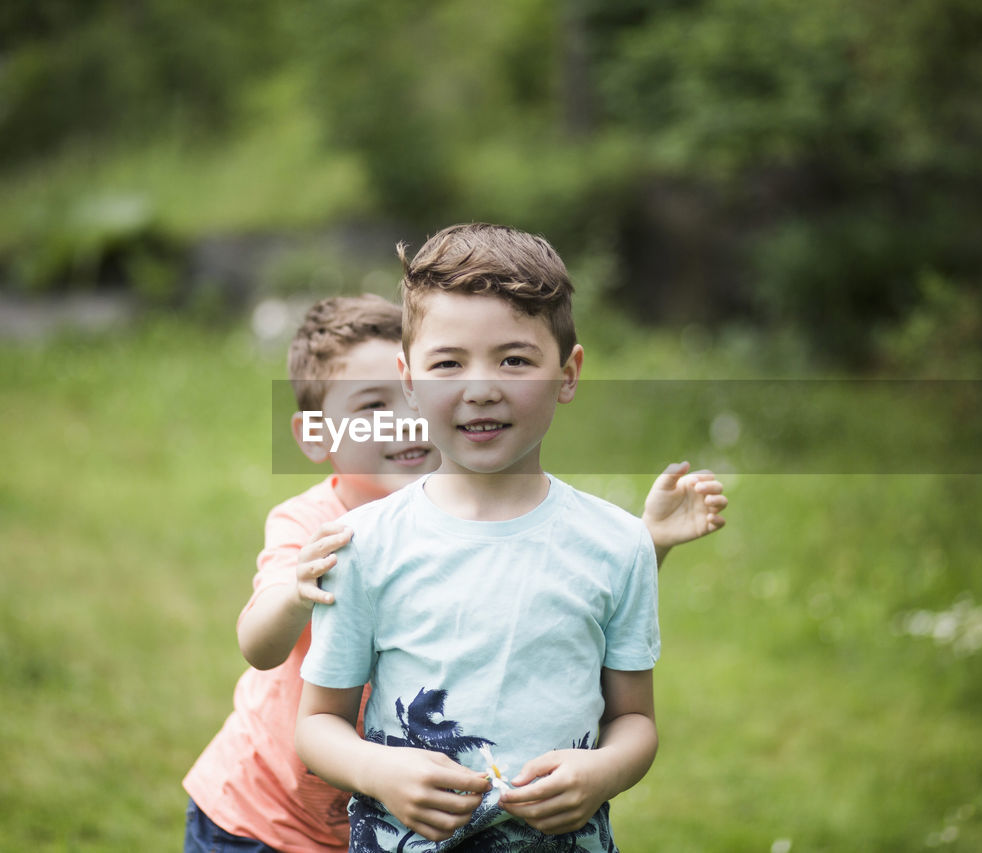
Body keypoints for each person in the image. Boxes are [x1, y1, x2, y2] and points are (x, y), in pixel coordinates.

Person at [183, 290, 728, 852]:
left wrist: (648, 543)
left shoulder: (473, 515)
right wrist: (296, 592)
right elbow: (258, 645)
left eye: (409, 398)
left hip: (402, 819)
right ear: (318, 434)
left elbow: (563, 603)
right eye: (372, 408)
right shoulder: (315, 524)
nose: (404, 423)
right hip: (264, 813)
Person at [295, 224, 700, 852]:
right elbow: (318, 723)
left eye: (514, 359)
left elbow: (635, 721)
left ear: (568, 374)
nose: (480, 387)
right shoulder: (364, 542)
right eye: (448, 362)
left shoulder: (620, 546)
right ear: (409, 379)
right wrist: (379, 771)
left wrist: (602, 772)